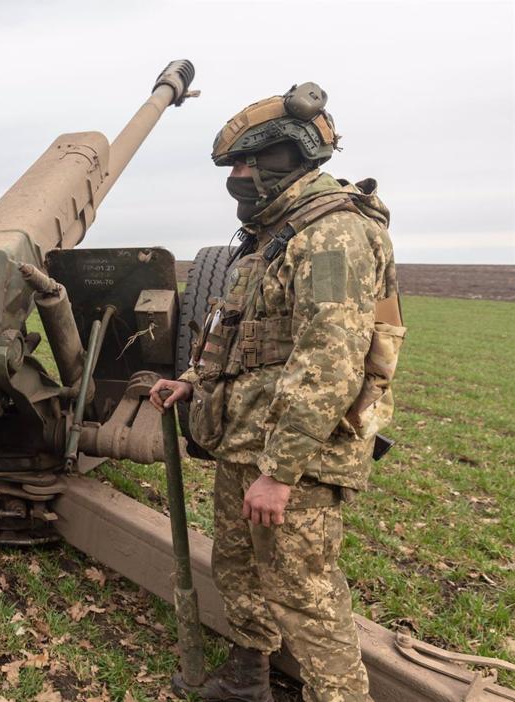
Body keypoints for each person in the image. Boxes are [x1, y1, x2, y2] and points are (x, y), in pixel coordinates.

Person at [151, 83, 403, 702]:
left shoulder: (333, 232)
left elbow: (331, 357)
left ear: (289, 157)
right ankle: (248, 679)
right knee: (239, 569)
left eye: (246, 162)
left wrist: (281, 472)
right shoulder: (269, 236)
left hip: (295, 456)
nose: (237, 176)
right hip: (247, 439)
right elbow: (239, 336)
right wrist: (191, 383)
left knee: (304, 592)